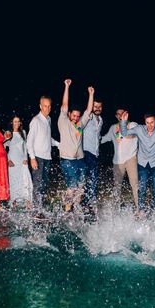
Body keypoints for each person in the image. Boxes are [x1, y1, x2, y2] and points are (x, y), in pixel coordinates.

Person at [57, 79, 94, 212]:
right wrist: (66, 86)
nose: (76, 118)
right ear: (69, 115)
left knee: (81, 187)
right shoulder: (63, 122)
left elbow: (89, 110)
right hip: (67, 160)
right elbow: (65, 104)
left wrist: (91, 94)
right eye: (74, 115)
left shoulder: (80, 125)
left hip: (80, 160)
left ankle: (77, 209)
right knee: (71, 187)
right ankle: (67, 210)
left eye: (78, 116)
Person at [120, 111, 155, 213]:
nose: (150, 125)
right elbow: (124, 133)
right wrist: (123, 121)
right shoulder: (139, 129)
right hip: (142, 163)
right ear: (145, 122)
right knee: (142, 188)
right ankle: (141, 211)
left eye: (152, 122)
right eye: (147, 122)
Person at [27, 94, 59, 213]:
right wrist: (32, 158)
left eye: (49, 106)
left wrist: (60, 145)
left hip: (47, 157)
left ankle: (43, 209)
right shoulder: (36, 120)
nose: (47, 108)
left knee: (44, 185)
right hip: (38, 158)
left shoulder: (49, 119)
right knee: (38, 184)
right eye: (45, 106)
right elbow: (29, 142)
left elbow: (48, 138)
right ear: (40, 106)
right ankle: (36, 210)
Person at [101, 108, 139, 208]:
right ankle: (116, 208)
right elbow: (104, 138)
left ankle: (139, 208)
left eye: (122, 113)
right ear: (116, 116)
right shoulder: (113, 128)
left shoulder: (133, 125)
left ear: (126, 114)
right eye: (118, 114)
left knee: (134, 184)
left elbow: (132, 136)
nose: (120, 115)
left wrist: (124, 129)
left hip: (131, 158)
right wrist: (92, 138)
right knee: (117, 186)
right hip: (118, 161)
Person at [5, 116, 33, 209]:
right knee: (14, 181)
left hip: (22, 161)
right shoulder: (8, 133)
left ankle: (27, 201)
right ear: (12, 123)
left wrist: (26, 158)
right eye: (15, 121)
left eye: (18, 121)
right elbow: (3, 147)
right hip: (12, 161)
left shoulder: (23, 132)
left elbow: (25, 147)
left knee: (25, 180)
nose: (17, 123)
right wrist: (8, 160)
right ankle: (14, 202)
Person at [82, 98, 103, 206]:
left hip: (95, 154)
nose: (97, 109)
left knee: (93, 180)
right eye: (95, 106)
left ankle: (89, 204)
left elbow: (97, 137)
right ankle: (87, 204)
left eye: (99, 106)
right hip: (86, 152)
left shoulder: (101, 120)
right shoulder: (89, 117)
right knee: (90, 180)